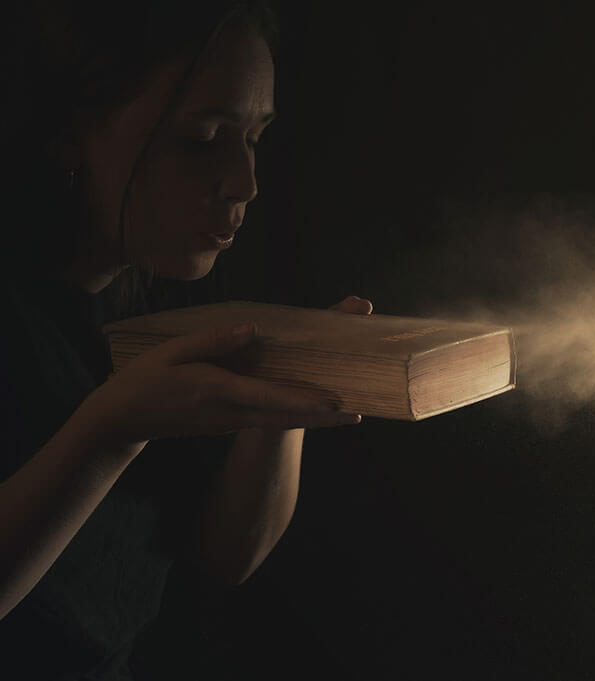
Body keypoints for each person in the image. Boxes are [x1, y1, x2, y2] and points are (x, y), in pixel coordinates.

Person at [0, 1, 371, 678]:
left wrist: (283, 405)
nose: (245, 183)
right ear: (69, 131)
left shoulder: (163, 289)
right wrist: (111, 430)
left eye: (255, 137)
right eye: (202, 139)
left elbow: (228, 555)